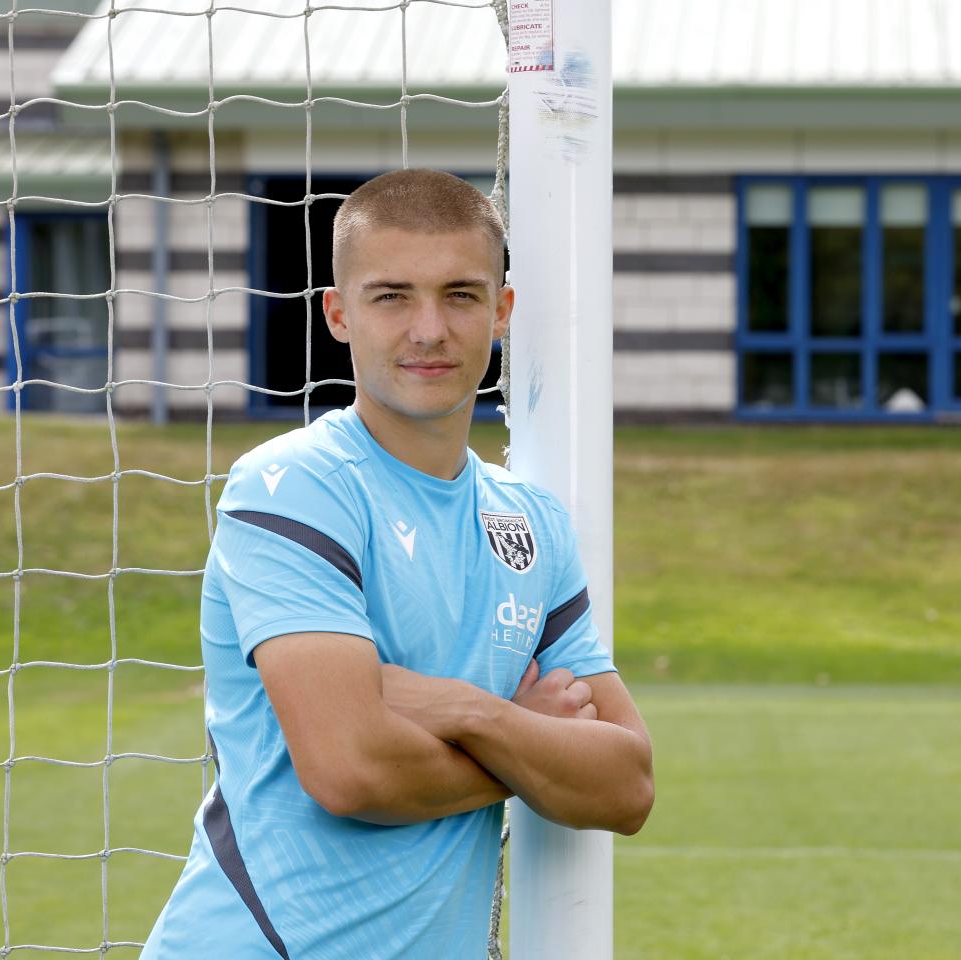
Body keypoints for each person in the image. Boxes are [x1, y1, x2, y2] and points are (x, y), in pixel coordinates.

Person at [141, 169, 654, 959]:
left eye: (459, 294)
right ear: (339, 315)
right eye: (391, 297)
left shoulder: (531, 523)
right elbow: (351, 772)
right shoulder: (295, 486)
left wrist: (470, 712)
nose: (428, 329)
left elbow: (626, 786)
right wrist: (533, 749)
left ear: (500, 312)